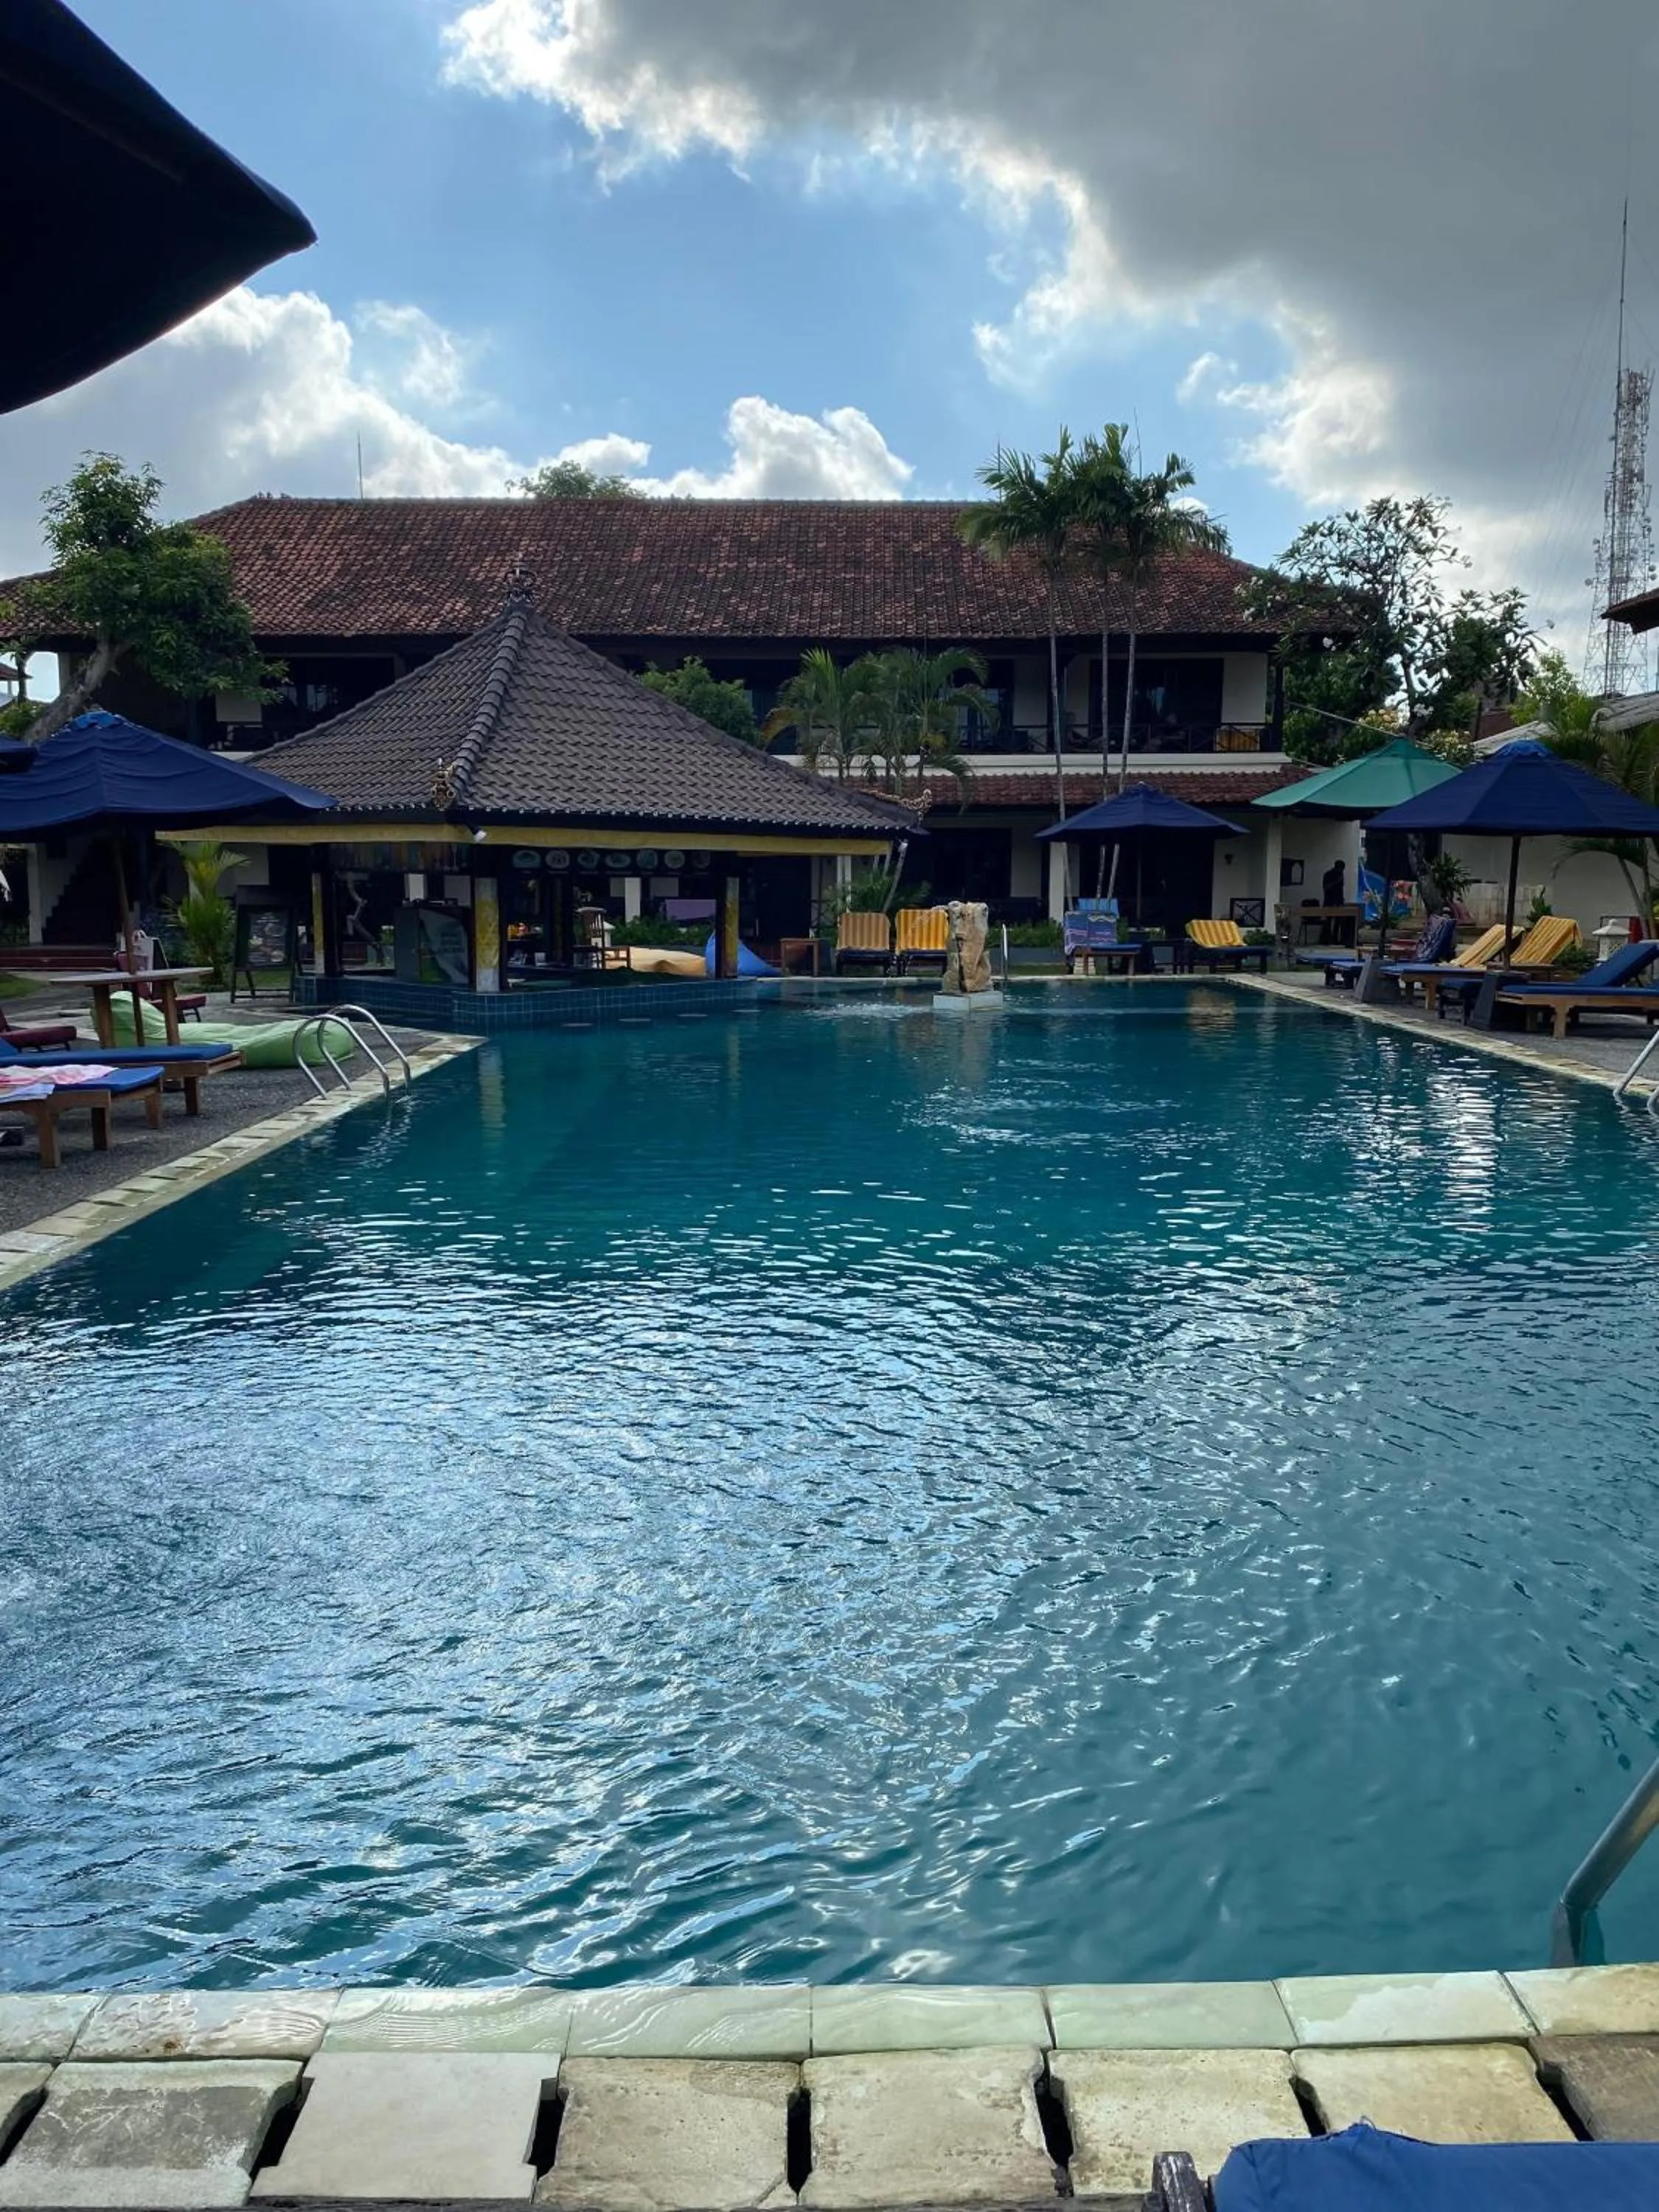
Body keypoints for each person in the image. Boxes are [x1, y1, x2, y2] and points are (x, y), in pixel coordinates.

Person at [1319, 858, 1347, 943]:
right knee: (1328, 921)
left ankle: (1335, 939)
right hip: (1329, 901)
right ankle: (1326, 939)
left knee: (1338, 921)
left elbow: (1340, 888)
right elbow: (1326, 888)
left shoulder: (1341, 875)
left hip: (1338, 901)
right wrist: (1336, 882)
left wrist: (1342, 898)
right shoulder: (1328, 875)